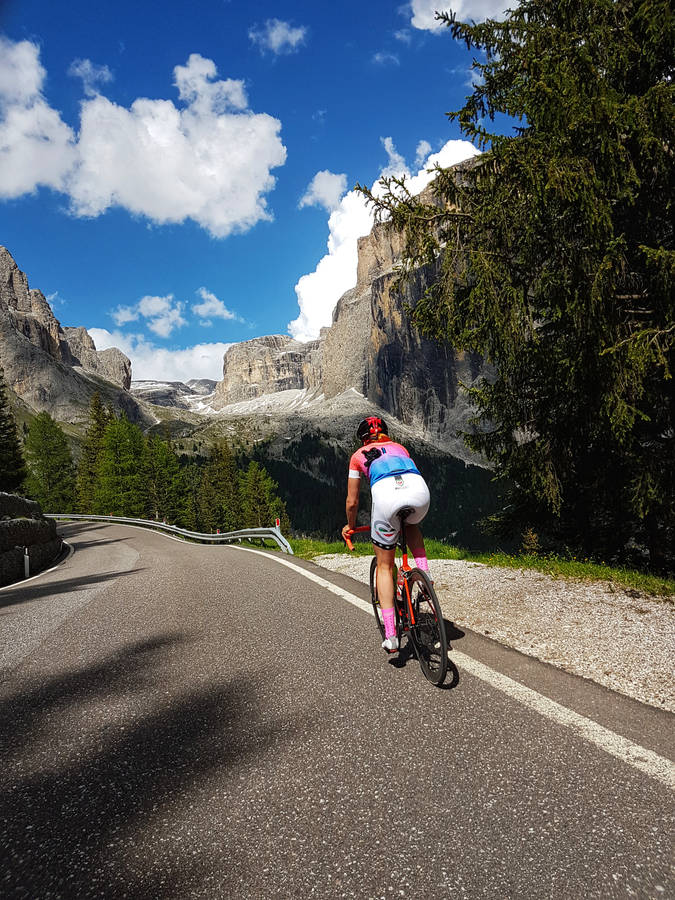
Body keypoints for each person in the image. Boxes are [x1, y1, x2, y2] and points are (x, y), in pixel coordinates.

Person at [342, 415, 431, 652]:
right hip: (419, 492)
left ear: (363, 439)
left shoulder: (358, 457)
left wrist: (350, 526)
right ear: (385, 433)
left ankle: (391, 635)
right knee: (410, 523)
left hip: (386, 498)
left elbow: (352, 501)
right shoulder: (399, 448)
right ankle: (425, 575)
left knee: (384, 566)